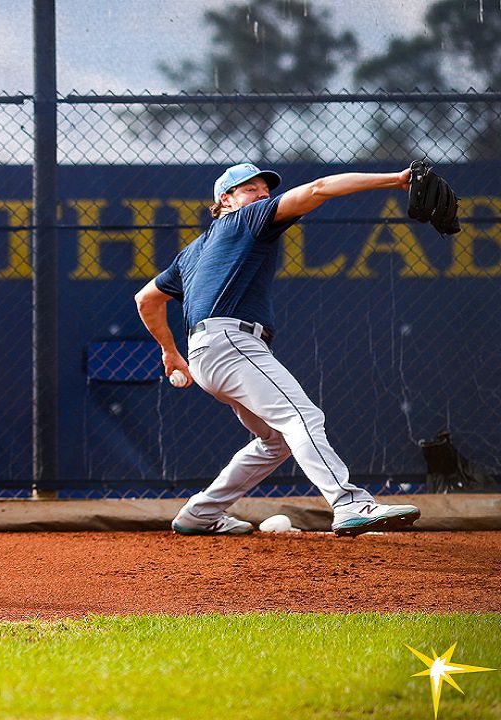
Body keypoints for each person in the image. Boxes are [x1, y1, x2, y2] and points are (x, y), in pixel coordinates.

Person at [134, 162, 422, 537]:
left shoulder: (192, 252)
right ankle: (349, 503)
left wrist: (170, 352)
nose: (262, 195)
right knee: (303, 417)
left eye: (264, 190)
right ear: (226, 199)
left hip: (209, 354)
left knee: (274, 442)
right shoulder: (247, 220)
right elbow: (319, 188)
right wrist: (394, 179)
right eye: (250, 189)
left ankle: (200, 513)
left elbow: (146, 299)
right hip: (232, 344)